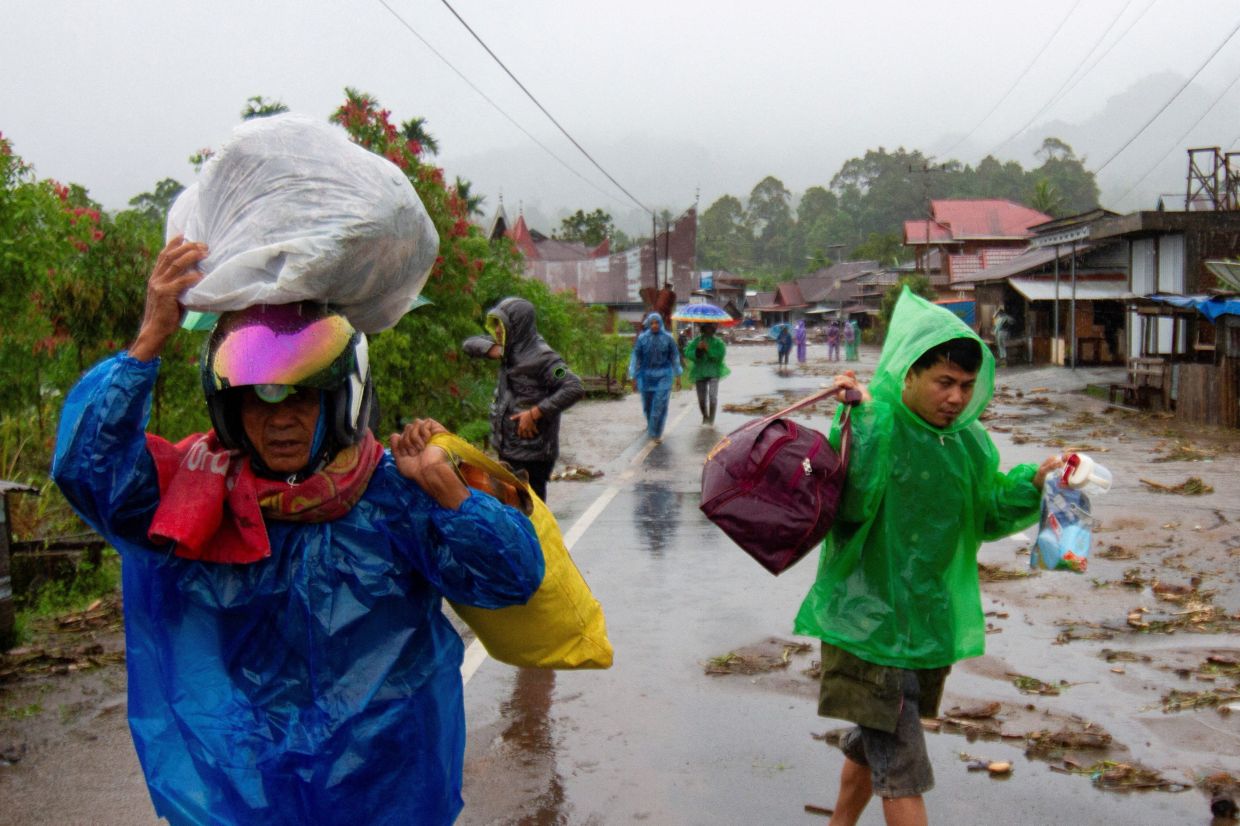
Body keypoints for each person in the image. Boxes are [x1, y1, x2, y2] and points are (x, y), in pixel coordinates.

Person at [51, 237, 545, 826]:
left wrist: (451, 493)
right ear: (231, 412)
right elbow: (90, 474)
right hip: (253, 781)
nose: (279, 419)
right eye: (257, 402)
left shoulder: (390, 492)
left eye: (303, 398)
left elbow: (514, 576)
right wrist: (151, 337)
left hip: (387, 778)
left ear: (343, 400)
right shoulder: (202, 493)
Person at [794, 288, 1061, 826]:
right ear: (909, 374)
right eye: (944, 382)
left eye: (966, 385)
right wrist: (861, 421)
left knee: (875, 741)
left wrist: (1035, 481)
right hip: (870, 626)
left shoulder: (970, 444)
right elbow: (852, 502)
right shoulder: (874, 424)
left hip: (929, 625)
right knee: (904, 766)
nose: (957, 398)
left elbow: (984, 513)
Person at [463, 297, 585, 503]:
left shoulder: (544, 358)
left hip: (533, 452)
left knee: (532, 513)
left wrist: (536, 412)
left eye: (502, 325)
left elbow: (574, 386)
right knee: (513, 510)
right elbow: (469, 345)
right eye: (496, 325)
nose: (498, 331)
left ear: (517, 326)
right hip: (509, 447)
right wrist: (495, 350)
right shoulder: (509, 351)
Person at [628, 311, 682, 440]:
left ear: (661, 323)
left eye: (657, 322)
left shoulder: (668, 338)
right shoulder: (642, 339)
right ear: (648, 324)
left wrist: (678, 375)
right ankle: (651, 426)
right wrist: (633, 376)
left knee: (659, 405)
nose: (654, 326)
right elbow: (636, 357)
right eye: (652, 323)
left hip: (664, 375)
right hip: (646, 376)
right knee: (647, 406)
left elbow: (674, 357)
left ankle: (655, 433)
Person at [683, 322, 730, 425]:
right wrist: (698, 350)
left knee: (713, 397)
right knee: (701, 399)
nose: (709, 330)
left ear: (713, 329)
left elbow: (719, 357)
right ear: (703, 329)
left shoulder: (718, 342)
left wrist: (708, 350)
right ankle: (705, 416)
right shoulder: (696, 341)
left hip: (713, 372)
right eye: (706, 328)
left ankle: (711, 420)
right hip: (699, 372)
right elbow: (688, 353)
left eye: (711, 328)